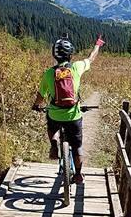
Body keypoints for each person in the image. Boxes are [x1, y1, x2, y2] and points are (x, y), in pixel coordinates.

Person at [33, 32, 103, 184]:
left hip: (55, 115)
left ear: (55, 55)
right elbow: (91, 57)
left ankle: (53, 145)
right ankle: (78, 175)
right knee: (77, 146)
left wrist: (36, 105)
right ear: (71, 55)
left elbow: (40, 96)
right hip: (73, 116)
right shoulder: (77, 68)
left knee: (51, 125)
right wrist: (98, 44)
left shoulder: (48, 74)